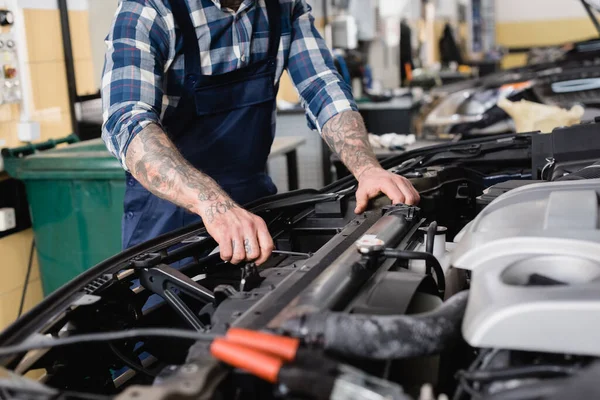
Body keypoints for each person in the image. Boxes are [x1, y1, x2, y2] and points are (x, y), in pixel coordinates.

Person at [101, 0, 420, 266]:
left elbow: (322, 86)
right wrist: (213, 204)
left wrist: (367, 168)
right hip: (168, 222)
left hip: (254, 205)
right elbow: (127, 122)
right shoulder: (150, 10)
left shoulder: (283, 7)